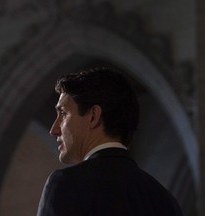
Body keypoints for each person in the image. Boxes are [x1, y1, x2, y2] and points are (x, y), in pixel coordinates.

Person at [37, 66, 184, 216]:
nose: (54, 129)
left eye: (63, 113)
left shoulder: (67, 185)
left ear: (93, 116)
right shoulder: (165, 200)